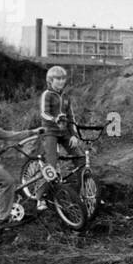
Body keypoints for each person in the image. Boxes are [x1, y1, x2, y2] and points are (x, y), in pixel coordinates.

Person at [33, 65, 81, 211]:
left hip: (65, 132)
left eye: (63, 78)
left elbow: (71, 117)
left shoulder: (66, 97)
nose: (61, 81)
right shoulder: (47, 94)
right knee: (51, 167)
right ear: (50, 80)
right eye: (57, 79)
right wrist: (55, 119)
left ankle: (80, 193)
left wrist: (74, 135)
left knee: (80, 159)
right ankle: (39, 198)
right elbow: (43, 113)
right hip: (50, 131)